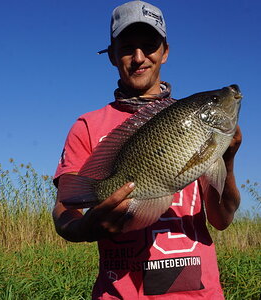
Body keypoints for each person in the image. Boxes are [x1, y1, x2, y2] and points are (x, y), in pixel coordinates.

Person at [52, 1, 242, 299]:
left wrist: (227, 159)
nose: (139, 57)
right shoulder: (87, 126)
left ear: (165, 51)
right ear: (112, 56)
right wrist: (86, 228)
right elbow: (65, 207)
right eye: (127, 47)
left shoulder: (194, 122)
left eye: (149, 46)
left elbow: (222, 220)